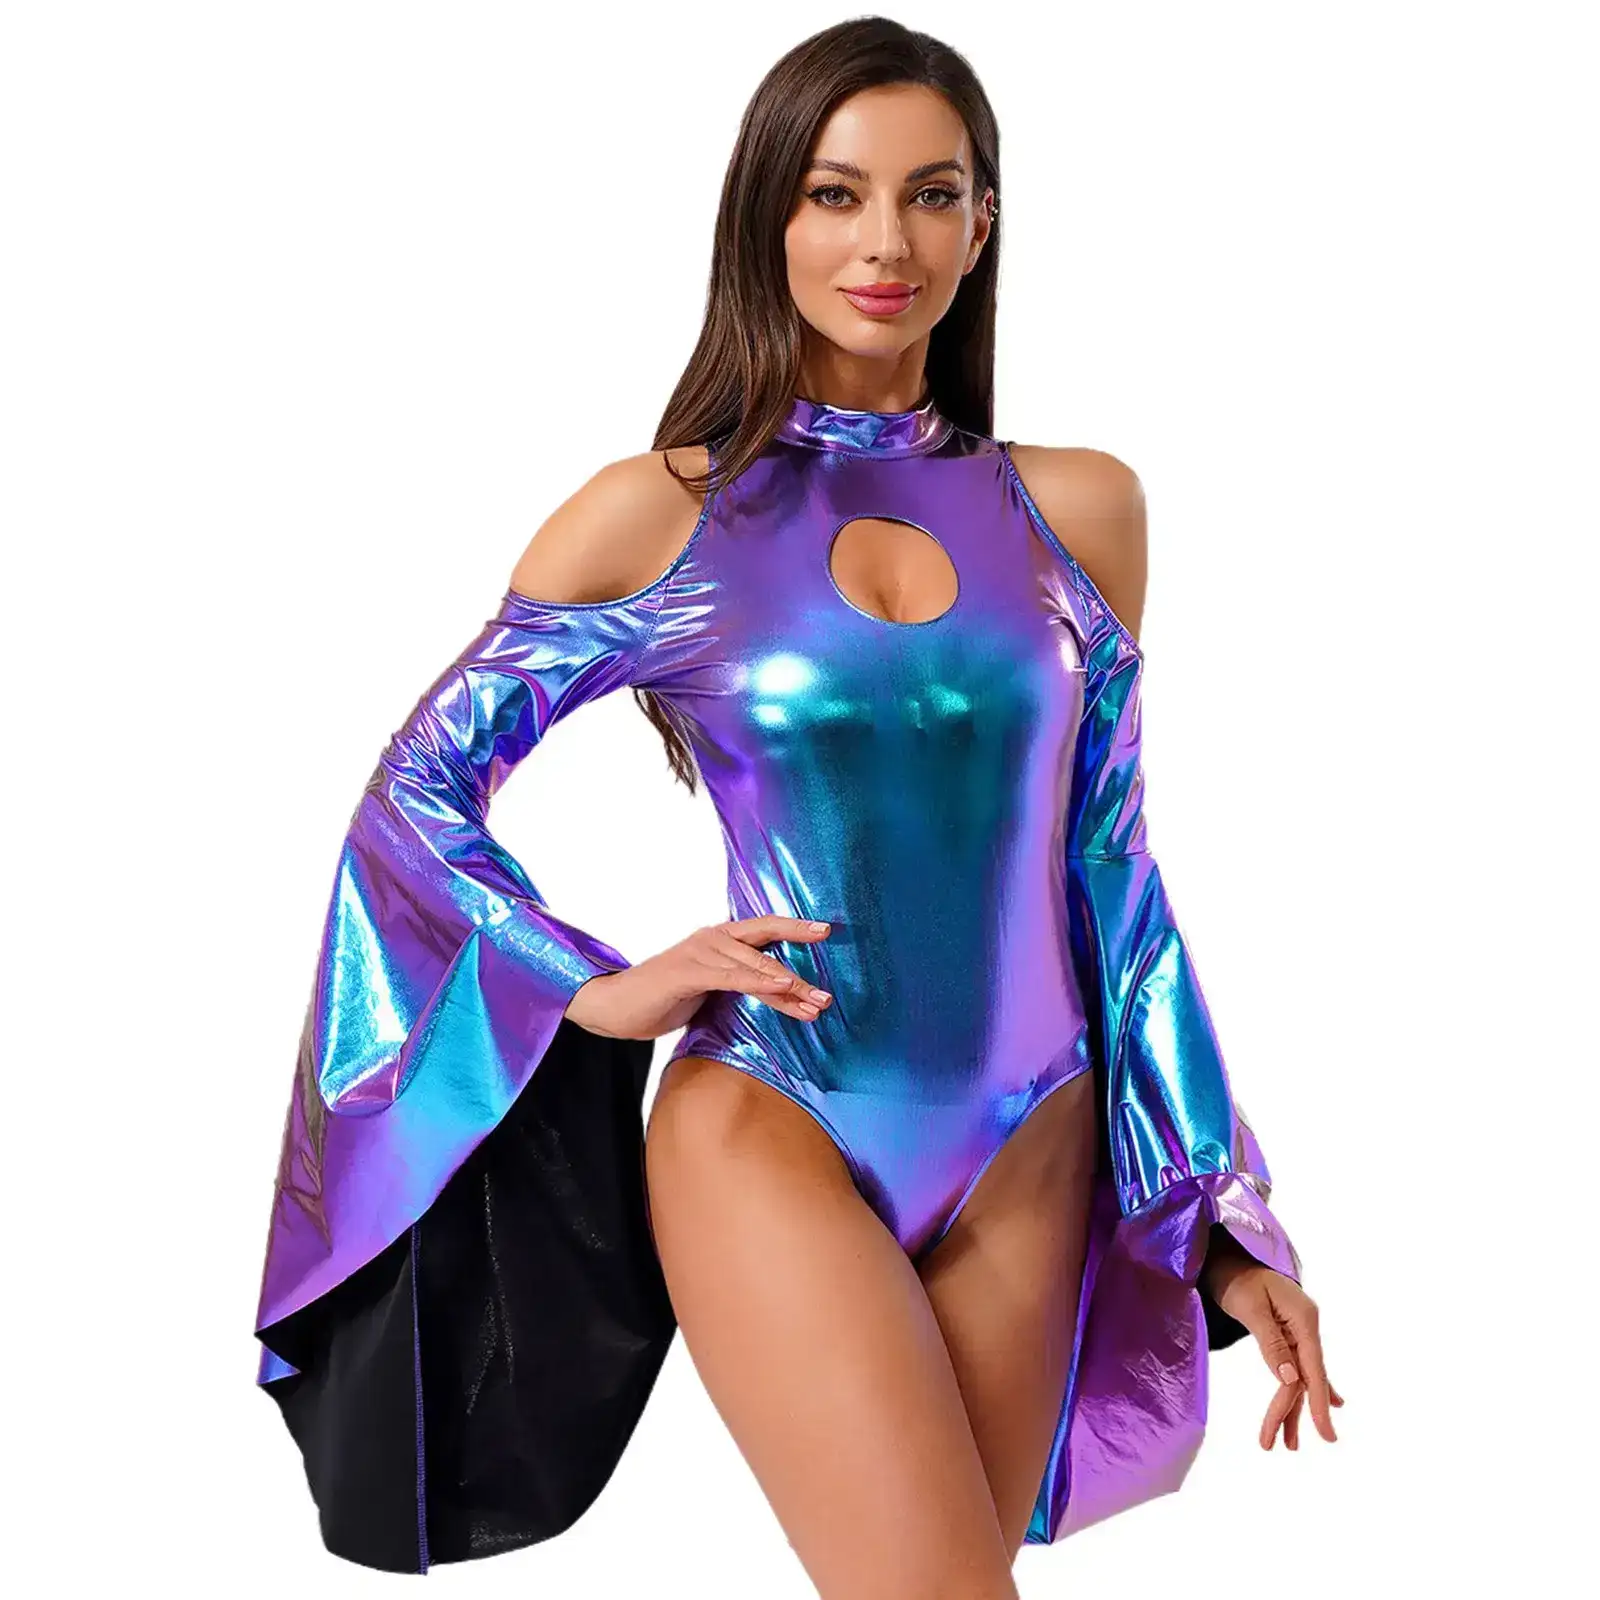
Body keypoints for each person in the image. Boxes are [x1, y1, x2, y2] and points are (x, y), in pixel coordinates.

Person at [252, 16, 1342, 1590]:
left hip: (1033, 1138)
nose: (884, 242)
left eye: (931, 194)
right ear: (769, 216)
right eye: (836, 194)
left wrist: (1217, 1215)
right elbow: (416, 794)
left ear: (982, 225)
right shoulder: (663, 515)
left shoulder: (1080, 510)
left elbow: (1110, 871)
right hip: (773, 1117)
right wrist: (595, 986)